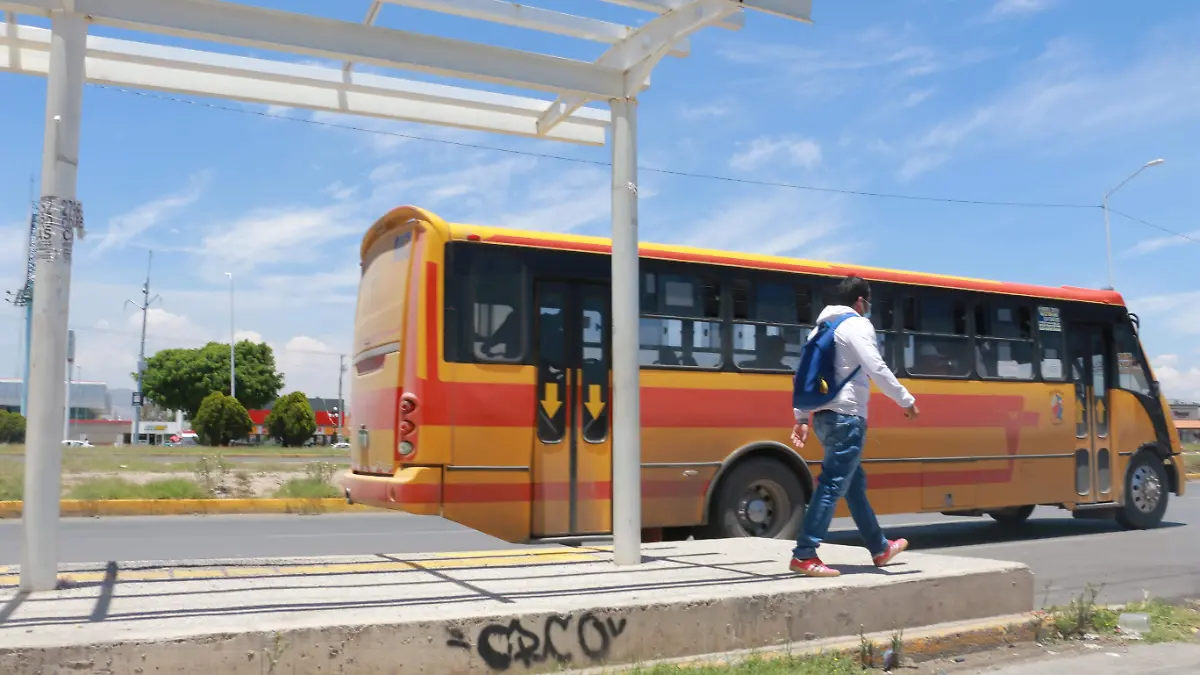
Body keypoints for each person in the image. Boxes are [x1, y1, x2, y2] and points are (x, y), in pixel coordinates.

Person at [789, 275, 919, 577]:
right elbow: (876, 366)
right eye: (867, 303)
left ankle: (880, 547)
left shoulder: (819, 329)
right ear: (861, 301)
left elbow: (803, 375)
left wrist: (800, 417)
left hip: (822, 417)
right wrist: (905, 399)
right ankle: (804, 553)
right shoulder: (857, 324)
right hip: (846, 417)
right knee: (834, 482)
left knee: (854, 484)